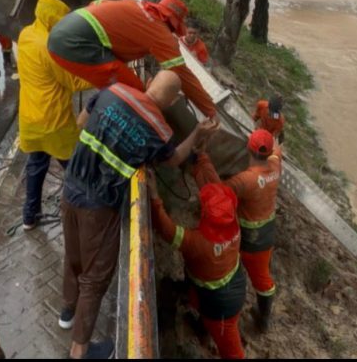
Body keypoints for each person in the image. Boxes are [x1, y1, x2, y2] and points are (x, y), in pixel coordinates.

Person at [61, 71, 217, 359]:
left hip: (71, 185)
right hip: (100, 204)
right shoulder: (159, 129)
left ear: (149, 83)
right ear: (171, 102)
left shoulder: (112, 91)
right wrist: (197, 133)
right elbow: (174, 160)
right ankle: (79, 350)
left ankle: (67, 310)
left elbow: (82, 121)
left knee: (73, 254)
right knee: (96, 277)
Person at [47, 0, 218, 120]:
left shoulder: (134, 5)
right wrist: (211, 112)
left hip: (63, 32)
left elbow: (98, 3)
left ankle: (83, 127)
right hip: (74, 44)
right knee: (136, 94)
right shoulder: (159, 31)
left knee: (113, 87)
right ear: (173, 23)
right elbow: (183, 75)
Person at [16, 0, 93, 230]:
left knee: (36, 164)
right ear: (52, 21)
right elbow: (74, 82)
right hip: (54, 121)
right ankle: (87, 212)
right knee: (75, 167)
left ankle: (29, 216)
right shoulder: (48, 47)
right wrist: (103, 75)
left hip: (30, 118)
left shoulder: (26, 34)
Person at [193, 129, 282, 333]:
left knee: (226, 274)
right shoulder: (276, 165)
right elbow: (278, 149)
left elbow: (218, 194)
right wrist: (275, 137)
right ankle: (263, 320)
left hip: (245, 239)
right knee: (263, 280)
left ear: (248, 148)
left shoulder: (245, 180)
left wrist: (203, 159)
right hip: (266, 234)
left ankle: (209, 324)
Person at [151, 180, 247, 359]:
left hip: (220, 308)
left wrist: (155, 197)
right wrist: (201, 159)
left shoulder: (196, 242)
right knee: (198, 303)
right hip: (231, 286)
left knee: (232, 353)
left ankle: (205, 330)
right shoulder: (234, 228)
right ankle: (203, 330)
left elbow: (167, 230)